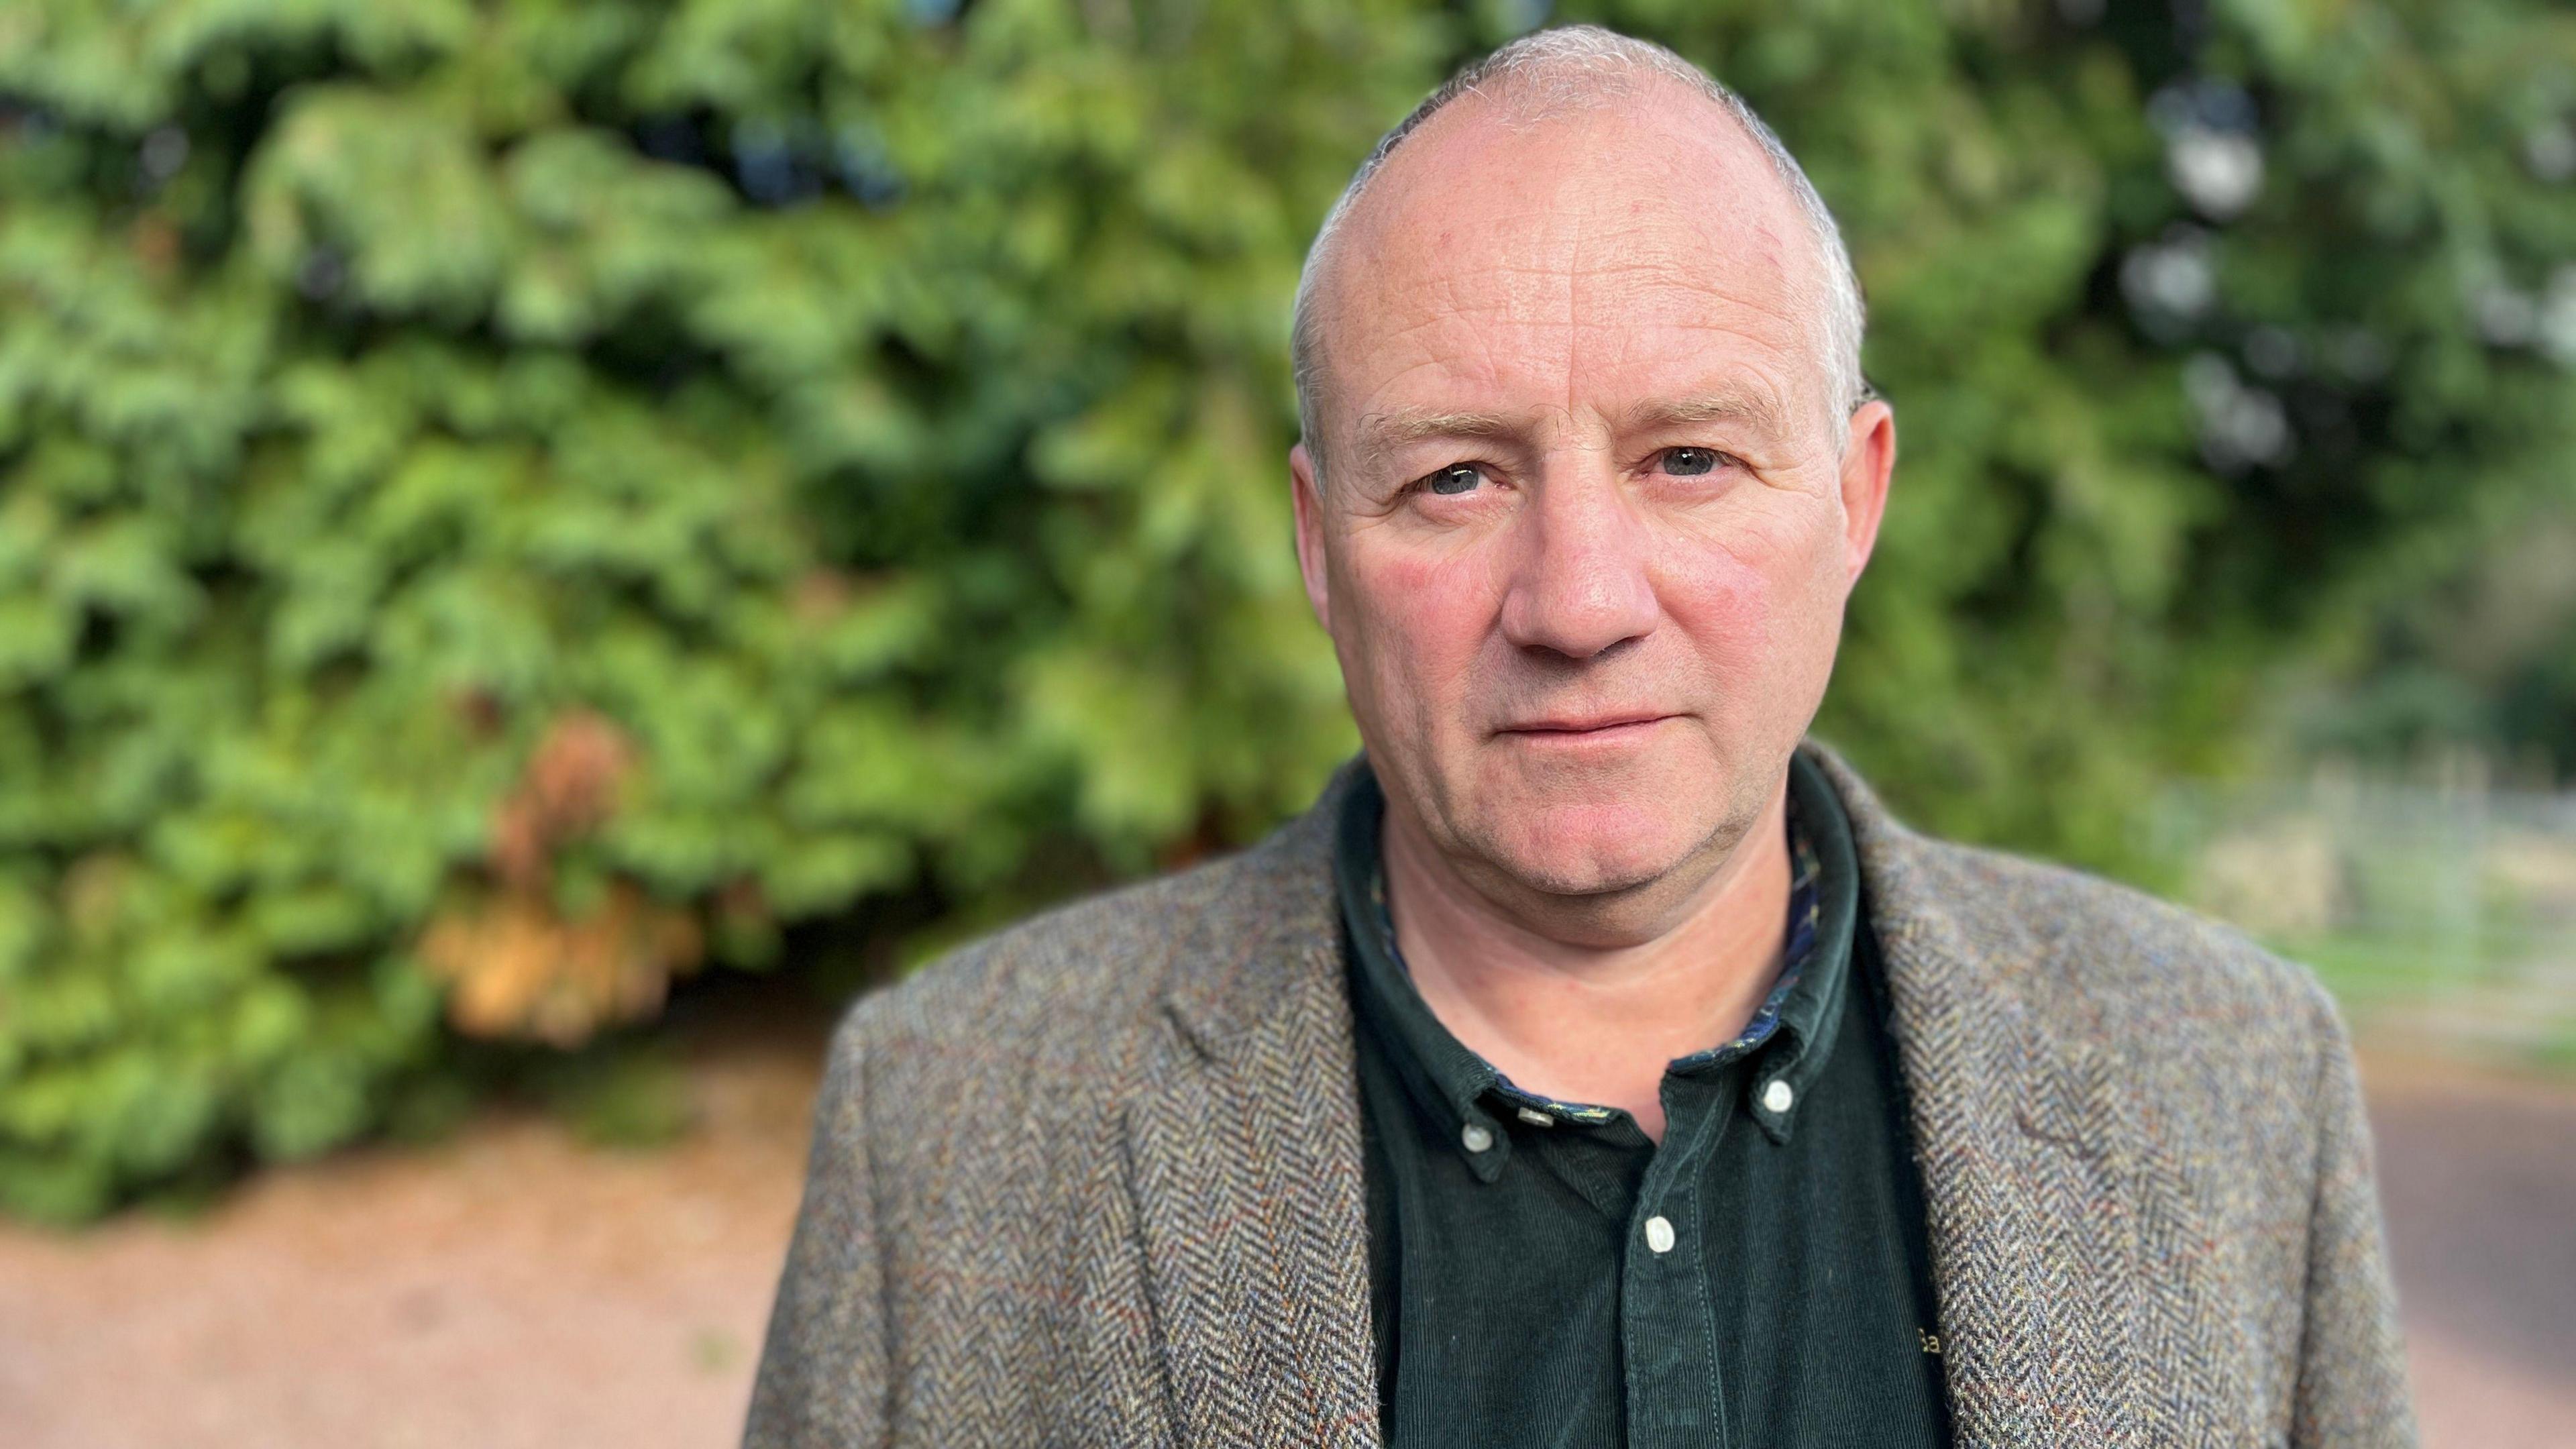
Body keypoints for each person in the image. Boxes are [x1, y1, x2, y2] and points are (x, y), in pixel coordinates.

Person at [745, 25, 2415, 1448]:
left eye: (1689, 458)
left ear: (1856, 497)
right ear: (1321, 546)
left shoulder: (2243, 1086)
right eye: (1456, 477)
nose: (1579, 599)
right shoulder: (948, 1126)